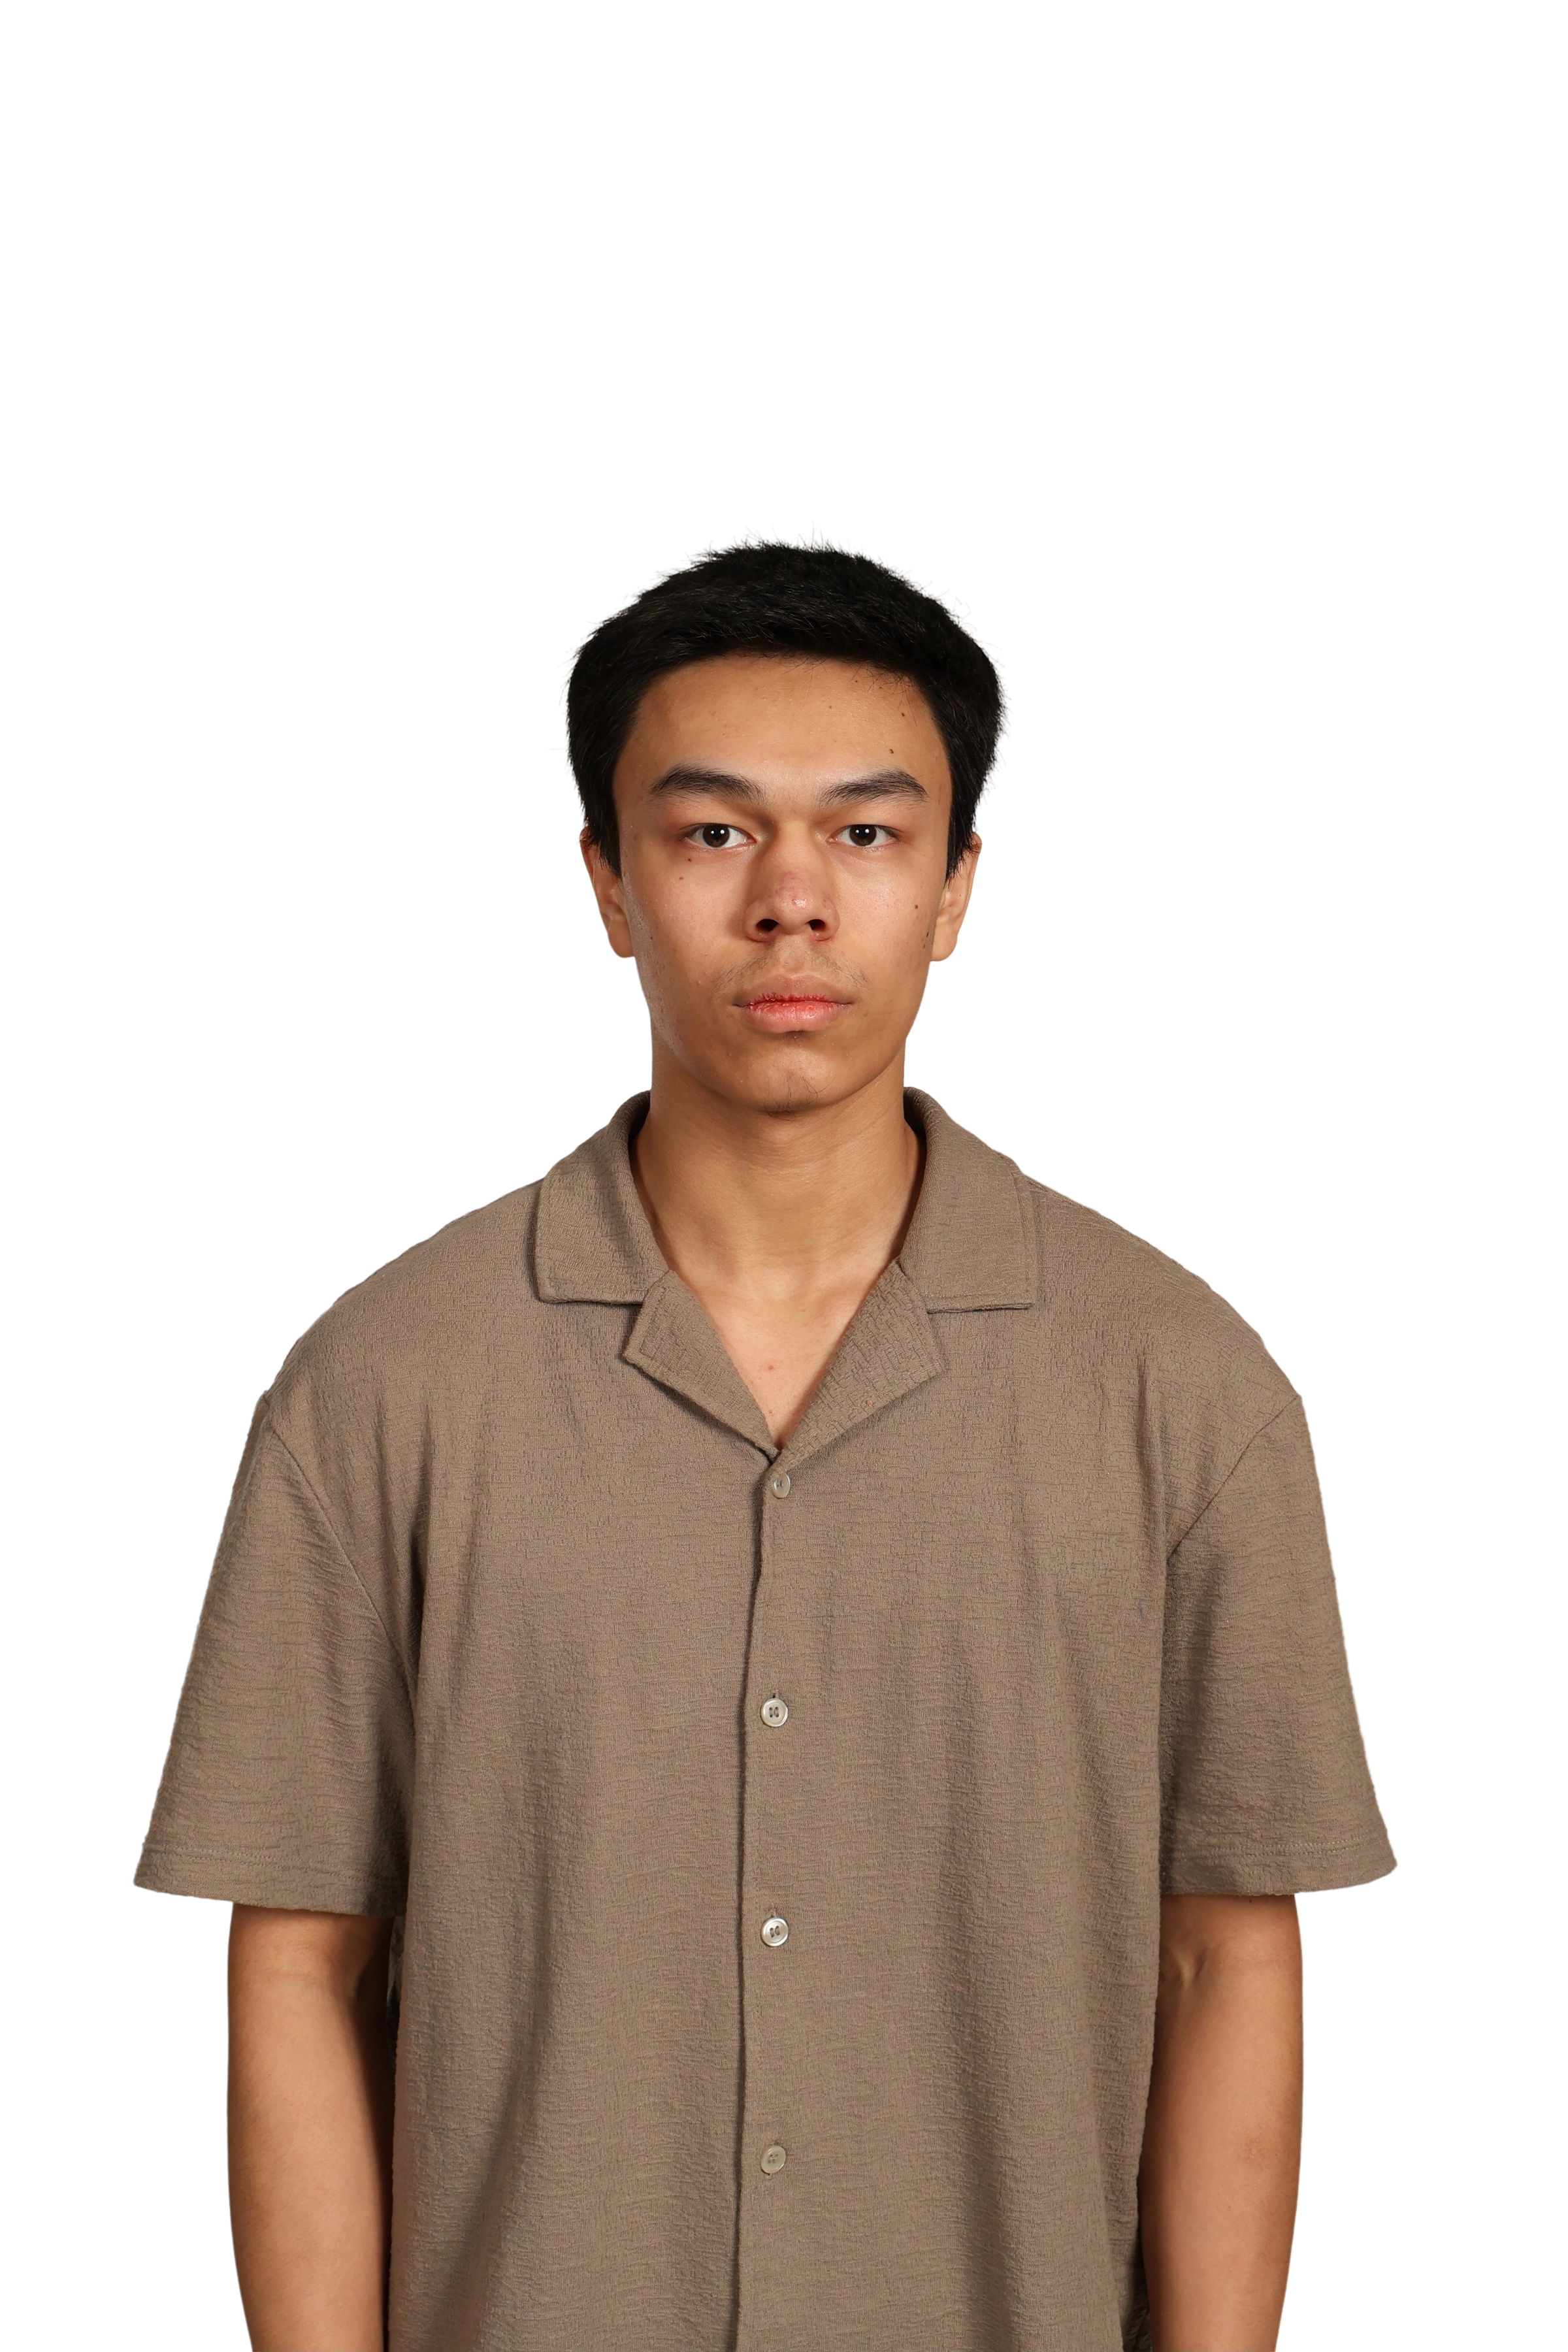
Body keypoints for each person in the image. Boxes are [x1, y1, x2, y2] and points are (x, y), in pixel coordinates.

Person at [131, 523, 1397, 2352]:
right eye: (714, 832)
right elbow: (298, 1966)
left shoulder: (1184, 1391)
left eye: (867, 835)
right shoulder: (379, 1386)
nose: (792, 901)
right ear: (604, 878)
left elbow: (1228, 1960)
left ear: (957, 885)